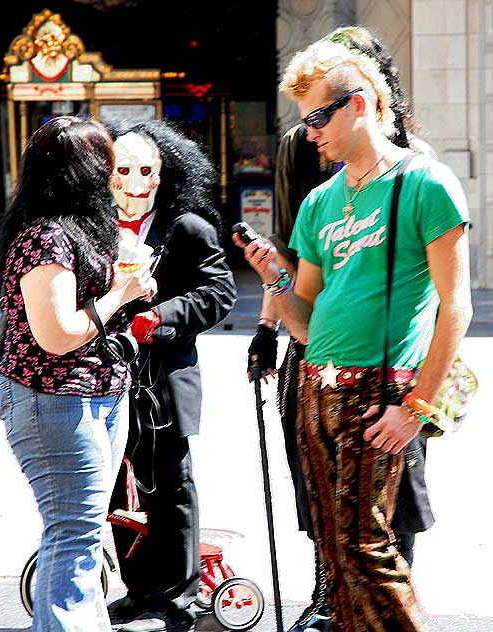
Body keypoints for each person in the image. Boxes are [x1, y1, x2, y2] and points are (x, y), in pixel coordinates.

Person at [234, 37, 472, 631]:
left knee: (367, 548)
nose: (309, 133)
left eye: (318, 116)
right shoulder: (319, 201)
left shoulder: (426, 182)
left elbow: (457, 308)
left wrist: (416, 407)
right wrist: (276, 282)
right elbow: (306, 317)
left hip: (380, 392)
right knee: (334, 552)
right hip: (314, 385)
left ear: (359, 104)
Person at [0, 116, 157, 632]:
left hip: (94, 394)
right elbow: (57, 335)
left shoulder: (77, 228)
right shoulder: (46, 237)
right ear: (83, 172)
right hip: (53, 399)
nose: (115, 177)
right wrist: (121, 296)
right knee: (75, 534)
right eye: (107, 164)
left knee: (76, 534)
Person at [106, 119, 236, 632]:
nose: (136, 182)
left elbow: (218, 293)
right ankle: (139, 591)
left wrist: (160, 317)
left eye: (147, 170)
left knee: (171, 485)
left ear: (164, 172)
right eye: (123, 170)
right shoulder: (93, 226)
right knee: (118, 490)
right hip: (103, 375)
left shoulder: (187, 228)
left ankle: (177, 595)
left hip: (162, 378)